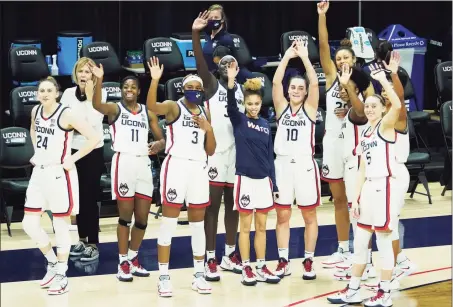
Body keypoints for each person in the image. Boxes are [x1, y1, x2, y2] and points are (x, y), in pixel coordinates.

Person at [327, 63, 403, 307]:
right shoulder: (367, 133)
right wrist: (355, 199)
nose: (369, 109)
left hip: (385, 187)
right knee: (360, 242)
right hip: (368, 189)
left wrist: (383, 81)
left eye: (374, 106)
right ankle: (353, 289)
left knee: (383, 241)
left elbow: (398, 105)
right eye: (367, 106)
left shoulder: (386, 126)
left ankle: (384, 291)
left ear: (382, 109)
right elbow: (361, 171)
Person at [22, 76, 100, 295]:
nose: (44, 94)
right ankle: (52, 263)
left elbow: (93, 138)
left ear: (57, 93)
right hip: (39, 172)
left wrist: (72, 159)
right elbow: (33, 131)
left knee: (61, 225)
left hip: (59, 173)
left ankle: (62, 275)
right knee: (29, 224)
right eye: (41, 91)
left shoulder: (66, 114)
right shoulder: (36, 111)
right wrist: (37, 153)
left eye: (49, 90)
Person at [147, 56, 216, 296]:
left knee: (198, 226)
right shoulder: (174, 106)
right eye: (190, 87)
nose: (194, 91)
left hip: (199, 168)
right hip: (176, 167)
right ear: (183, 89)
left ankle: (199, 273)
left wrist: (208, 129)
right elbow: (152, 107)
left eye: (198, 88)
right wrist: (155, 80)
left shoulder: (205, 112)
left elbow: (211, 149)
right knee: (169, 223)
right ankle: (163, 276)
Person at [91, 64, 166, 282]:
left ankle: (133, 257)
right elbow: (96, 105)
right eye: (125, 87)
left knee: (142, 218)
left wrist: (159, 144)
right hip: (123, 163)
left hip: (143, 163)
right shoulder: (115, 109)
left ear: (139, 91)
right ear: (122, 90)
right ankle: (122, 261)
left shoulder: (147, 111)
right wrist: (99, 80)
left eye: (133, 87)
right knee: (125, 217)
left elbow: (161, 137)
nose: (129, 90)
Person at [317, 0, 375, 269]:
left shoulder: (364, 84)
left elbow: (364, 114)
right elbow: (322, 46)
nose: (340, 61)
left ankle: (364, 251)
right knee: (339, 199)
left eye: (345, 57)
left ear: (354, 59)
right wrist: (322, 17)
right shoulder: (329, 76)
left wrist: (349, 90)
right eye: (338, 58)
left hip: (355, 146)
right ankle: (342, 248)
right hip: (331, 144)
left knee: (356, 200)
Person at [192, 11, 245, 280]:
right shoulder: (212, 85)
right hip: (215, 153)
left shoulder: (243, 89)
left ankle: (229, 254)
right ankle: (211, 257)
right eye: (224, 64)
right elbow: (200, 63)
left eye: (232, 63)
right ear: (218, 66)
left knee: (233, 207)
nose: (228, 67)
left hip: (236, 155)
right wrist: (196, 33)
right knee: (212, 207)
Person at [363, 51, 416, 291]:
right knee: (387, 224)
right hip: (385, 175)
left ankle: (394, 267)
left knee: (388, 226)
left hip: (395, 174)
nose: (386, 94)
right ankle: (400, 261)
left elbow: (399, 96)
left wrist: (392, 75)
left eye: (389, 92)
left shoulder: (399, 116)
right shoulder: (381, 118)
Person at [226, 64, 281, 286]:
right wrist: (231, 83)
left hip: (264, 182)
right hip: (245, 180)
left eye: (257, 104)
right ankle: (246, 266)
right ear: (244, 103)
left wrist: (274, 184)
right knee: (245, 226)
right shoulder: (239, 120)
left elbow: (270, 158)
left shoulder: (266, 126)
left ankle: (261, 265)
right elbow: (230, 106)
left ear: (261, 103)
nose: (254, 107)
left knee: (261, 227)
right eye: (250, 104)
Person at [271, 39, 320, 280]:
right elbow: (275, 81)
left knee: (309, 215)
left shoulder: (310, 108)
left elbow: (314, 82)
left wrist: (304, 59)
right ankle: (283, 260)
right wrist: (287, 56)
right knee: (282, 216)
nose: (297, 91)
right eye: (294, 88)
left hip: (304, 166)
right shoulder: (281, 106)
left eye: (301, 88)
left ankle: (309, 259)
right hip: (282, 166)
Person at [62, 57, 107, 262]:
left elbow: (93, 121)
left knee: (90, 198)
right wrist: (75, 124)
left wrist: (89, 99)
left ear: (93, 76)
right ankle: (81, 239)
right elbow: (64, 121)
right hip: (73, 150)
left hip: (93, 151)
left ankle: (93, 243)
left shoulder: (100, 93)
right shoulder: (68, 94)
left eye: (87, 72)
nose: (83, 75)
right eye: (80, 71)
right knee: (78, 199)